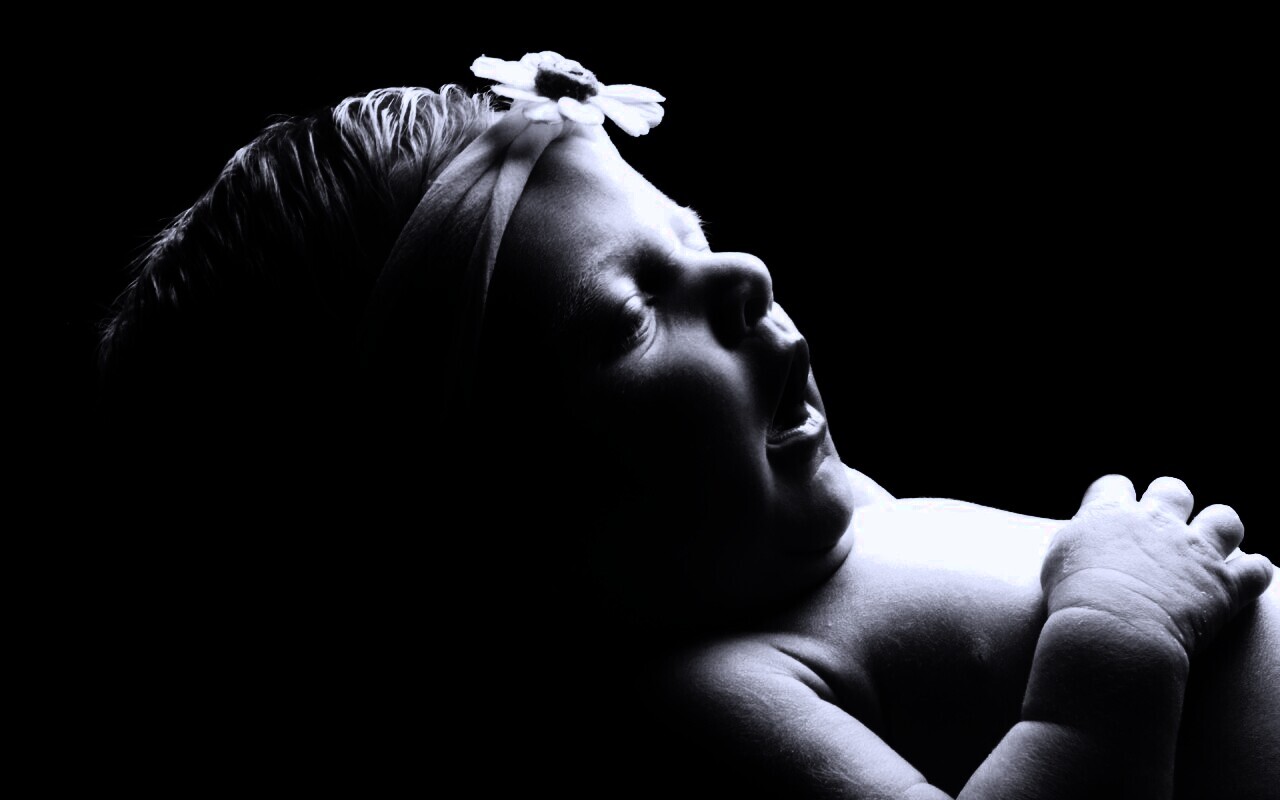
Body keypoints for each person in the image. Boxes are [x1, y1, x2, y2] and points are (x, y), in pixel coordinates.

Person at [98, 52, 1278, 797]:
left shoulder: (818, 535)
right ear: (486, 535)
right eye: (630, 313)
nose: (743, 274)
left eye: (692, 234)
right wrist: (1111, 652)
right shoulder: (712, 695)